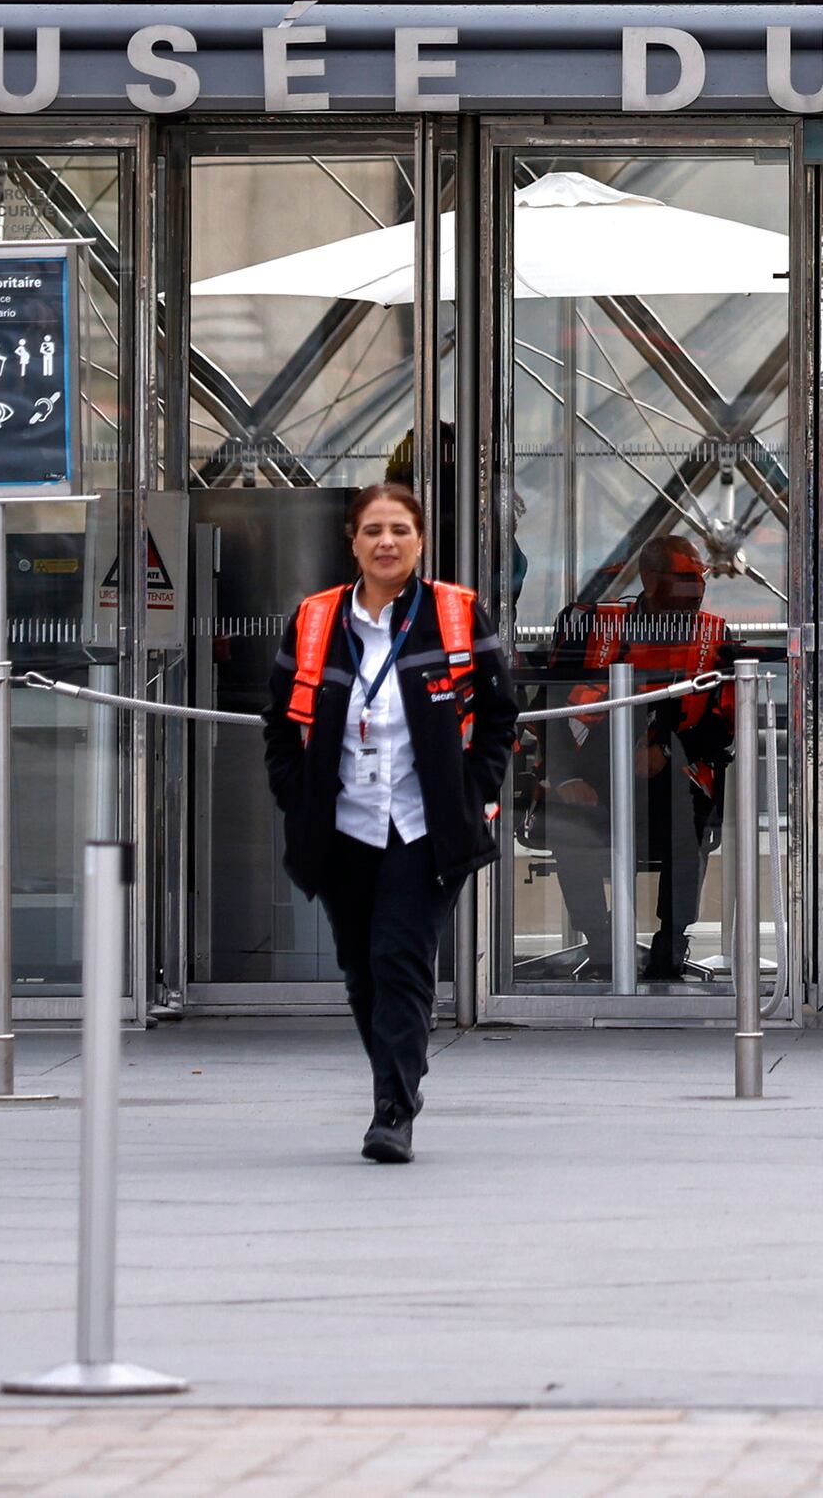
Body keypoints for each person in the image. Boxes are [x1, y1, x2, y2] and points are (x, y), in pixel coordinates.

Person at [261, 479, 517, 1160]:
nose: (386, 542)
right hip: (343, 826)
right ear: (352, 542)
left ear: (420, 540)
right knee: (361, 970)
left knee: (399, 957)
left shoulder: (455, 613)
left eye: (400, 529)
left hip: (422, 825)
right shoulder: (316, 618)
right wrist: (296, 796)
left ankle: (393, 1111)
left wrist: (472, 794)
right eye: (373, 529)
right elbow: (279, 721)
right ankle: (398, 1076)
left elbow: (500, 715)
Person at [540, 534, 736, 984]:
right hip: (595, 774)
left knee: (687, 817)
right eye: (685, 579)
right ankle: (602, 944)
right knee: (568, 821)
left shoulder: (714, 634)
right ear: (650, 579)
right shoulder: (591, 628)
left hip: (676, 774)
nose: (697, 590)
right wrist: (565, 779)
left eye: (701, 578)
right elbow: (549, 709)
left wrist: (665, 750)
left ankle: (672, 943)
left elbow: (724, 725)